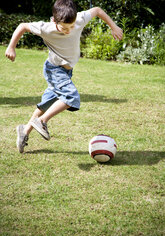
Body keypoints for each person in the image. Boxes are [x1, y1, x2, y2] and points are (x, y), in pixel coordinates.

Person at [5, 0, 123, 153]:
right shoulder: (46, 28)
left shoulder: (78, 19)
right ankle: (42, 121)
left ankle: (24, 130)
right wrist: (11, 46)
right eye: (64, 28)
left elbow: (98, 10)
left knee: (46, 104)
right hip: (54, 70)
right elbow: (23, 27)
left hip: (66, 72)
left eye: (72, 27)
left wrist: (113, 26)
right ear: (53, 20)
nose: (69, 31)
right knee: (71, 97)